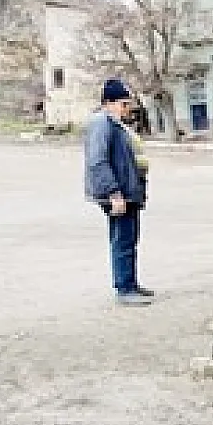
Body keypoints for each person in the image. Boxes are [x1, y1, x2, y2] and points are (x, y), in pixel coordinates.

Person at [84, 79, 152, 306]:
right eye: (123, 104)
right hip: (117, 193)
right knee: (122, 239)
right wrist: (113, 193)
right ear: (109, 102)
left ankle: (130, 283)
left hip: (127, 191)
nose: (127, 109)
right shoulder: (101, 124)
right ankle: (124, 288)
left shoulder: (115, 124)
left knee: (130, 238)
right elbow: (98, 161)